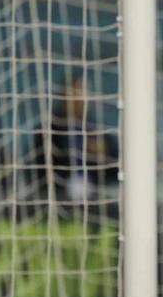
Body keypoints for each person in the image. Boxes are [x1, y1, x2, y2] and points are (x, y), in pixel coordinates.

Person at [33, 77, 119, 219]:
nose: (79, 100)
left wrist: (103, 154)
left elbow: (115, 171)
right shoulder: (48, 131)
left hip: (95, 197)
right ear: (64, 97)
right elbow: (41, 168)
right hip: (58, 196)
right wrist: (76, 150)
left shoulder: (99, 133)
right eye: (74, 94)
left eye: (82, 94)